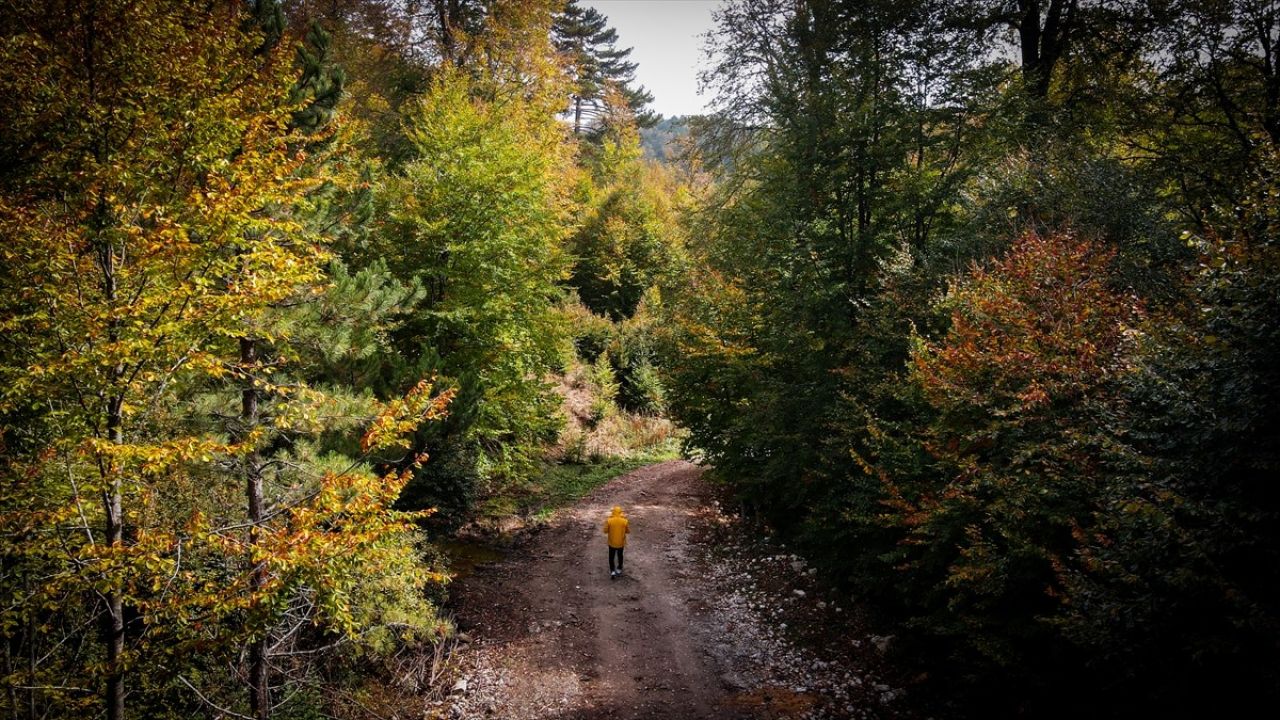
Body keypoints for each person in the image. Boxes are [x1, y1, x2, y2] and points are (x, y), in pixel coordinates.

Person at [603, 505, 629, 578]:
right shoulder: (625, 521)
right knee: (620, 555)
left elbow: (605, 531)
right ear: (620, 513)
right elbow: (627, 531)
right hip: (621, 543)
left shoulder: (609, 521)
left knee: (611, 557)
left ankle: (612, 571)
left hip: (611, 543)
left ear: (613, 512)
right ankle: (619, 568)